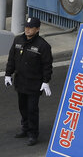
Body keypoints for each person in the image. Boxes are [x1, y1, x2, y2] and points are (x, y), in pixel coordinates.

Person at [5, 17, 53, 146]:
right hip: (20, 82)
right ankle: (25, 128)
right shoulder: (18, 40)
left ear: (37, 29)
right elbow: (12, 59)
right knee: (23, 107)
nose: (27, 29)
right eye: (26, 27)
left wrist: (45, 81)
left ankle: (33, 133)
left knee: (32, 109)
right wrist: (8, 74)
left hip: (34, 84)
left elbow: (47, 65)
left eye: (30, 27)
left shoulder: (43, 46)